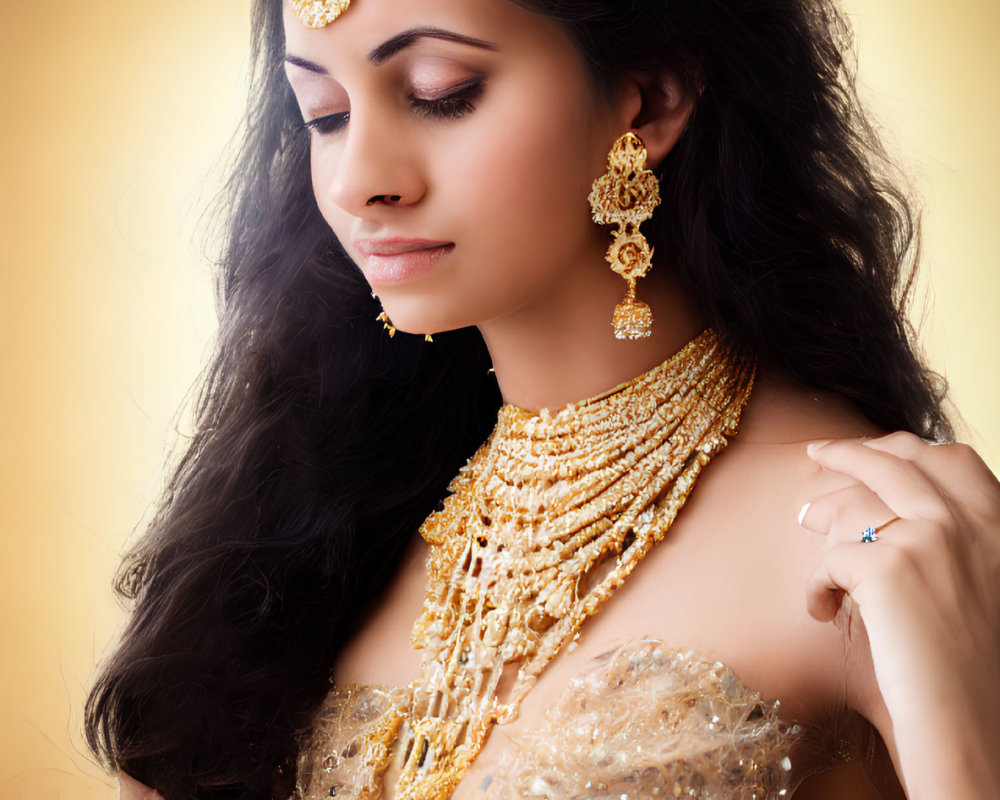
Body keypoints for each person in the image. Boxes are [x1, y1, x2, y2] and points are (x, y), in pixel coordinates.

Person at [88, 0, 1000, 798]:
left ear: (650, 102)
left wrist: (968, 737)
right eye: (322, 113)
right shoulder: (314, 533)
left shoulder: (871, 545)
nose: (358, 178)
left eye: (441, 92)